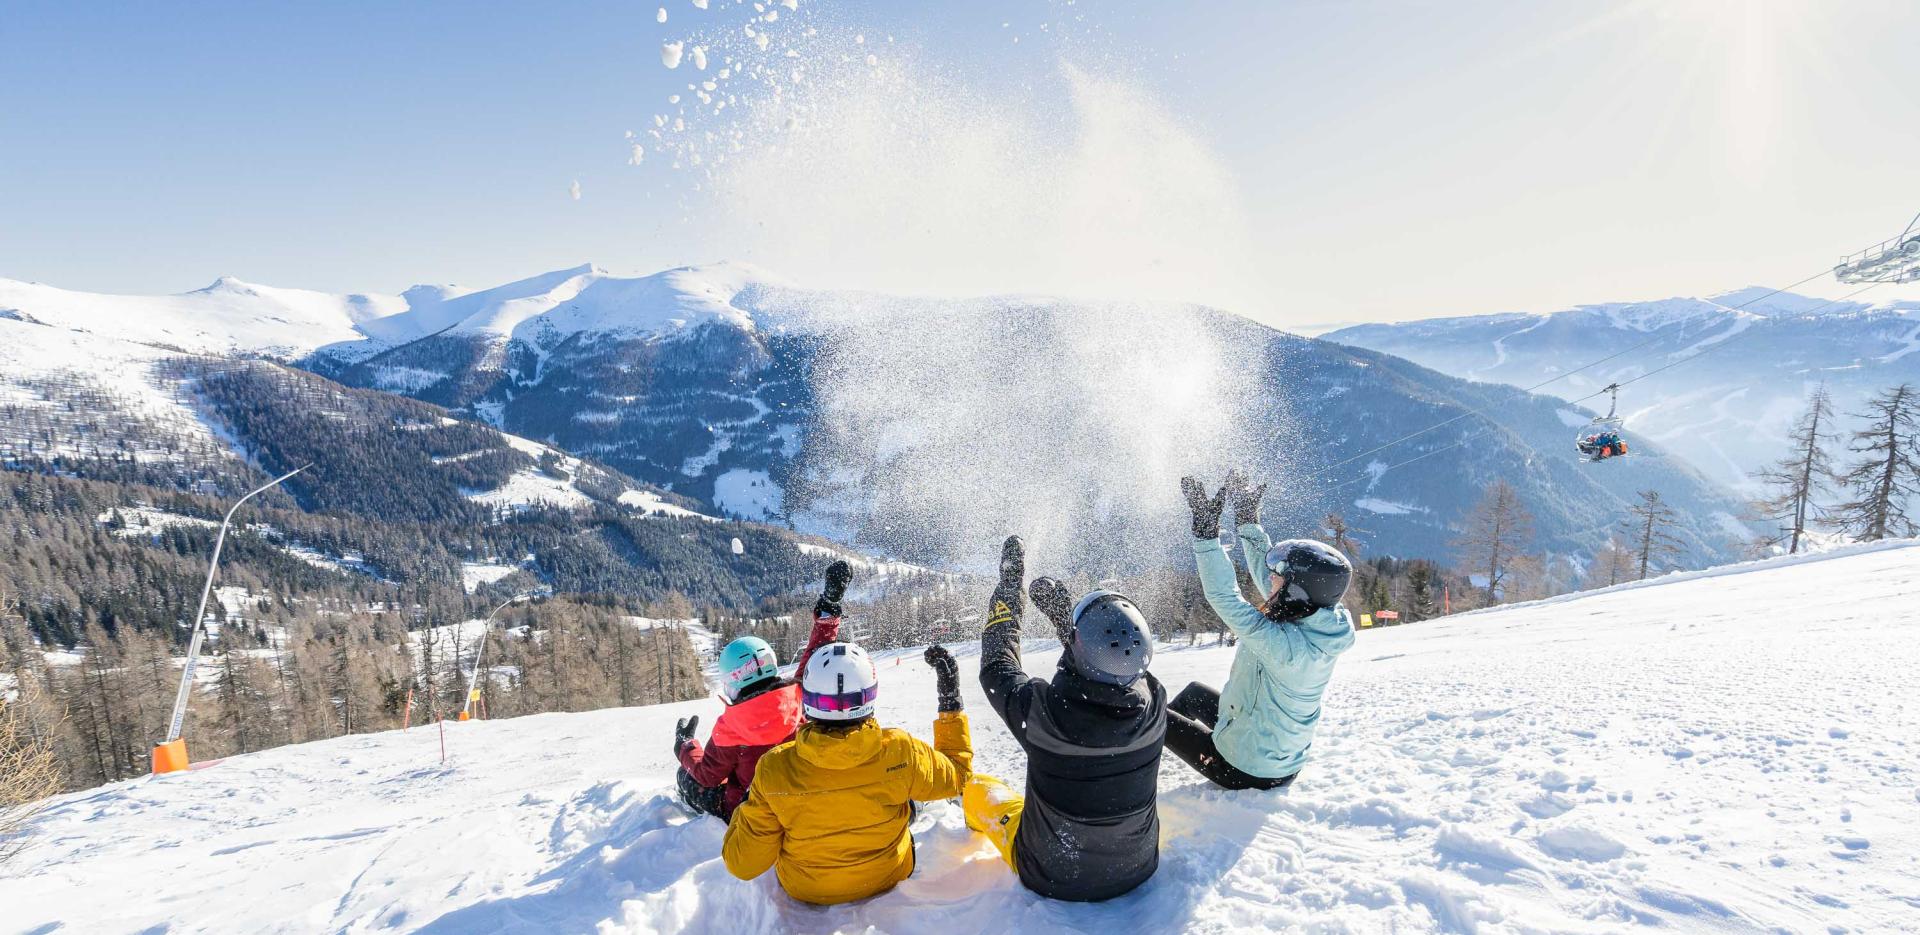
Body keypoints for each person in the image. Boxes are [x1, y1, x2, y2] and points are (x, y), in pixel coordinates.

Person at [964, 536, 1168, 902]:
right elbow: (1106, 672)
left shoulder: (1042, 714)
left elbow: (997, 663)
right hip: (1138, 867)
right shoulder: (1154, 703)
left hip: (1050, 873)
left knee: (978, 790)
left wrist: (1010, 589)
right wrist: (1066, 623)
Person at [721, 640, 972, 905]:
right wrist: (950, 701)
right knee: (905, 798)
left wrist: (751, 803)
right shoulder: (901, 751)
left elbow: (742, 865)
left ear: (807, 698)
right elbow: (959, 775)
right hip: (890, 875)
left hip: (806, 889)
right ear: (870, 695)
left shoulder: (774, 768)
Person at [1173, 472, 1355, 790]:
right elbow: (1266, 574)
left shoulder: (1288, 648)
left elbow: (1224, 598)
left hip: (1246, 769)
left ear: (1296, 590)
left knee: (1152, 717)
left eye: (1279, 577)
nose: (1271, 579)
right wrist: (1247, 521)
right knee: (1192, 694)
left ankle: (1114, 763)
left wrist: (1205, 538)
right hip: (1276, 754)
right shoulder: (1317, 615)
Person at [673, 561, 851, 820]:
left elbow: (707, 775)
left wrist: (684, 746)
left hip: (754, 808)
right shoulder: (796, 695)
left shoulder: (730, 728)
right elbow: (815, 654)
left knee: (688, 778)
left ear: (732, 682)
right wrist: (828, 610)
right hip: (802, 791)